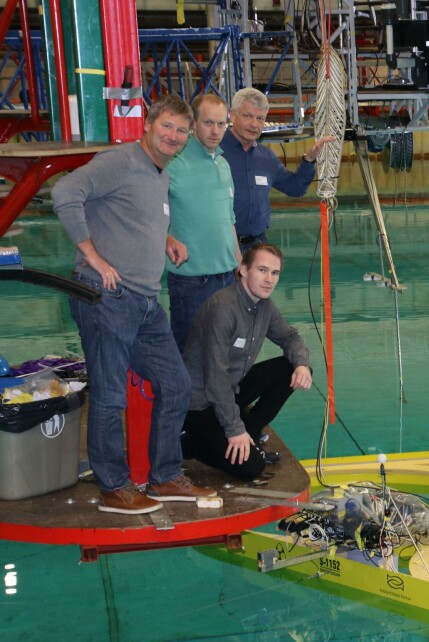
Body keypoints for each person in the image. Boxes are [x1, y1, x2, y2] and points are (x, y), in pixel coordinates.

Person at [52, 94, 217, 515]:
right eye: (167, 126)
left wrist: (165, 239)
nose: (173, 136)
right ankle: (114, 488)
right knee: (110, 395)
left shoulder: (160, 172)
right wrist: (93, 256)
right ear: (148, 124)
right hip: (106, 297)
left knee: (176, 384)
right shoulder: (120, 161)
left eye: (181, 130)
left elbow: (131, 214)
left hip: (144, 301)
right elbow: (65, 192)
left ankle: (165, 476)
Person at [180, 243, 312, 480]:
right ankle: (188, 445)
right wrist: (234, 430)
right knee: (251, 468)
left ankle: (249, 434)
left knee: (292, 367)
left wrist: (302, 364)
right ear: (243, 270)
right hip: (199, 403)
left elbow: (290, 337)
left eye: (275, 273)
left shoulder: (264, 307)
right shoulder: (223, 308)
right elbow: (216, 378)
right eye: (262, 270)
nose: (269, 279)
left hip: (230, 390)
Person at [165, 94, 241, 351]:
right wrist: (166, 239)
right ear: (194, 124)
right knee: (190, 355)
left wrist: (239, 264)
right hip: (191, 282)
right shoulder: (173, 165)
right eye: (208, 123)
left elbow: (229, 220)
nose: (215, 131)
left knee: (224, 353)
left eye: (221, 124)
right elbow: (146, 216)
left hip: (228, 277)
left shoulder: (223, 164)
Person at [220, 87, 334, 254]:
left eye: (260, 118)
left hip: (257, 246)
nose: (254, 124)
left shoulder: (266, 158)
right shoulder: (215, 153)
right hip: (221, 247)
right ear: (232, 115)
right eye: (248, 116)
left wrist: (309, 159)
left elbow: (295, 188)